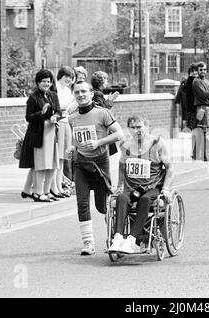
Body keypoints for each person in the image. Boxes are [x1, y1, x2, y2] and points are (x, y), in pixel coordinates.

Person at [67, 81, 124, 255]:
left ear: (91, 94)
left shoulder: (102, 113)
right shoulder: (72, 117)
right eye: (77, 92)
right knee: (82, 203)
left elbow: (119, 134)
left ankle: (114, 238)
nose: (81, 95)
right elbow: (75, 138)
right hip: (81, 163)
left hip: (100, 162)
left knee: (103, 206)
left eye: (84, 91)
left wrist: (98, 142)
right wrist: (72, 148)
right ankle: (88, 243)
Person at [108, 115, 174, 254]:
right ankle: (118, 238)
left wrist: (166, 189)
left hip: (152, 186)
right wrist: (120, 186)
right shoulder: (126, 145)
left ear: (147, 126)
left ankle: (131, 240)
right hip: (132, 187)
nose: (137, 130)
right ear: (128, 129)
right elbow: (121, 166)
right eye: (133, 127)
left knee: (144, 200)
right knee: (122, 199)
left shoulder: (157, 143)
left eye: (139, 127)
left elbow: (170, 169)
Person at [19, 69, 62, 203]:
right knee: (41, 165)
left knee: (53, 164)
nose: (46, 84)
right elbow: (29, 118)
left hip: (51, 133)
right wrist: (42, 113)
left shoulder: (53, 95)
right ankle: (37, 192)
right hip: (39, 134)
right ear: (38, 82)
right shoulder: (33, 97)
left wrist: (56, 116)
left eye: (49, 81)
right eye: (44, 81)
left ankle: (46, 191)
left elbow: (59, 110)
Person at [52, 66, 76, 198]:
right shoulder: (55, 88)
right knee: (57, 157)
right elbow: (60, 106)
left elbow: (69, 108)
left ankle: (59, 186)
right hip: (58, 123)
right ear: (60, 75)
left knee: (63, 157)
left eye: (70, 77)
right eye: (66, 76)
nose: (68, 79)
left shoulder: (67, 90)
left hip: (66, 123)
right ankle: (54, 186)